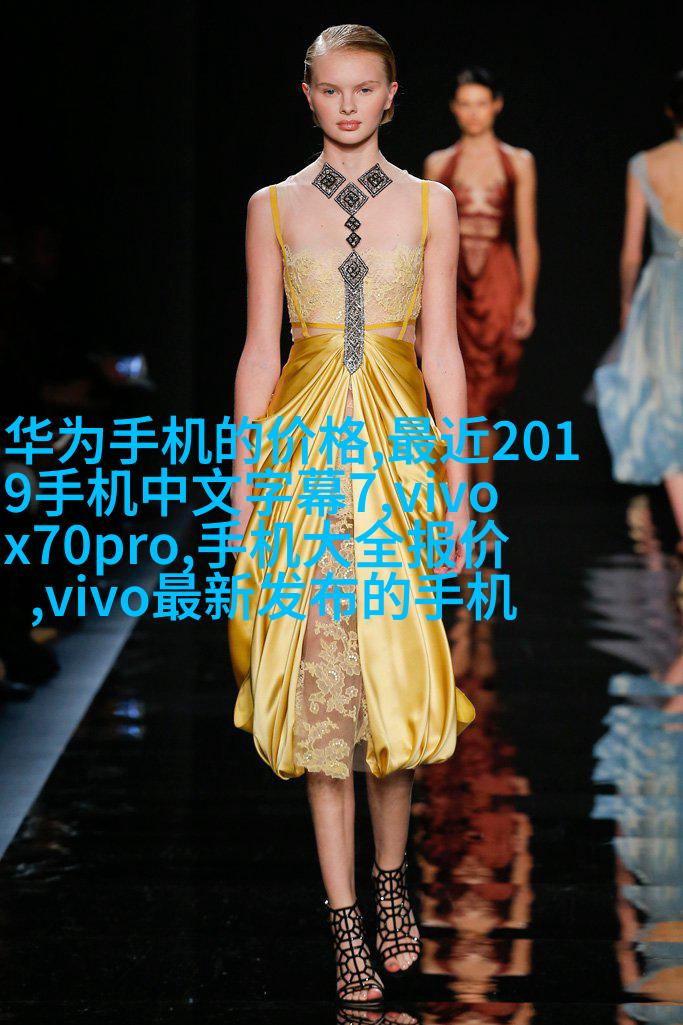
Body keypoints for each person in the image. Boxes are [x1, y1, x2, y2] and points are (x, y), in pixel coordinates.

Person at [227, 23, 475, 1009]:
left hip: (398, 461)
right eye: (330, 89)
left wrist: (459, 484)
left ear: (390, 94)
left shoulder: (430, 202)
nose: (346, 105)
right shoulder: (271, 205)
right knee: (324, 692)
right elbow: (260, 348)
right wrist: (242, 485)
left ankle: (390, 876)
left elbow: (443, 348)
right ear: (307, 93)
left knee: (392, 683)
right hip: (303, 464)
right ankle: (343, 919)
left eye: (362, 89)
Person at [423, 68, 539, 488]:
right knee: (454, 396)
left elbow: (527, 236)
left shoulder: (518, 162)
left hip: (498, 280)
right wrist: (420, 313)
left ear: (496, 106)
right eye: (465, 104)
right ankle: (463, 506)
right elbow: (426, 241)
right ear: (454, 109)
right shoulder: (438, 163)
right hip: (451, 285)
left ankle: (483, 509)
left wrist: (526, 301)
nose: (474, 113)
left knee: (486, 399)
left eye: (481, 103)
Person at [593, 70, 683, 552]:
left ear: (670, 112)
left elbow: (631, 252)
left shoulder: (646, 165)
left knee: (666, 405)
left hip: (664, 293)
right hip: (666, 291)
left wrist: (628, 305)